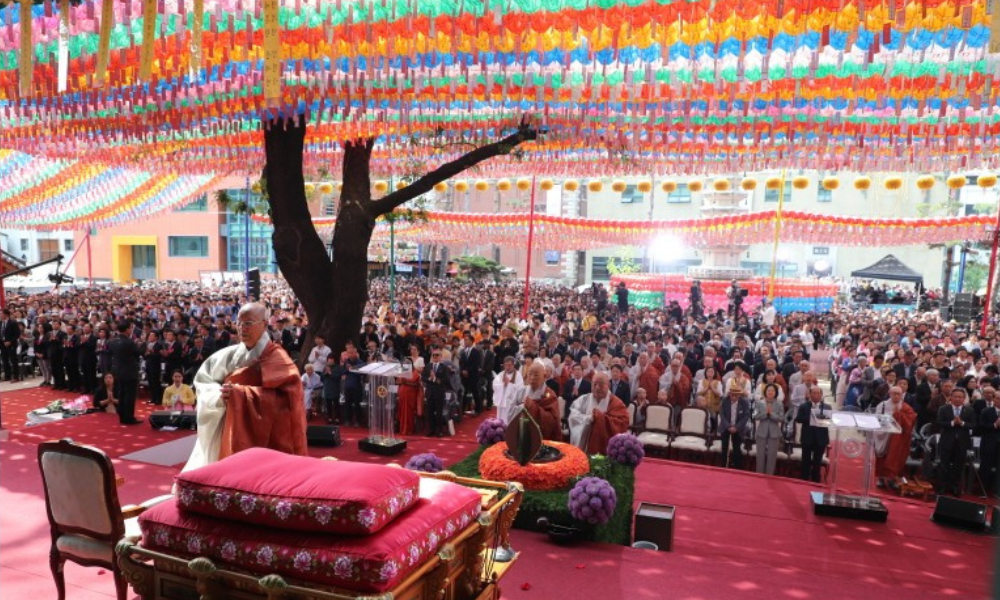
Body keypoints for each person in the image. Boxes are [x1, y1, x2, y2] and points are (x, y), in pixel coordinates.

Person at [181, 303, 307, 473]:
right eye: (238, 323)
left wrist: (240, 395)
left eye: (248, 323)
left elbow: (289, 400)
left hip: (266, 436)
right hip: (229, 425)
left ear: (263, 324)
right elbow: (204, 381)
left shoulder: (278, 359)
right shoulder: (228, 354)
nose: (242, 328)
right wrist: (219, 396)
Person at [567, 371, 629, 454]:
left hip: (605, 450)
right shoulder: (583, 400)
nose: (597, 387)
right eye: (594, 384)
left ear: (609, 385)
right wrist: (589, 418)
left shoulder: (616, 403)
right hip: (584, 449)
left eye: (601, 384)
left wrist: (600, 417)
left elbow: (622, 423)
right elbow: (573, 416)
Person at [873, 385, 917, 489]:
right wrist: (889, 419)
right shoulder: (882, 405)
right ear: (889, 394)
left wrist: (899, 415)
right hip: (884, 435)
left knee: (895, 458)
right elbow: (877, 418)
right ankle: (881, 478)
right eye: (894, 394)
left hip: (898, 438)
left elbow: (911, 421)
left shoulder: (906, 407)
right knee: (882, 457)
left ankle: (892, 478)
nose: (897, 396)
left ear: (902, 395)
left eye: (899, 394)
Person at [936, 387, 976, 496]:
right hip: (946, 441)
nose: (958, 399)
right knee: (944, 464)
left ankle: (954, 486)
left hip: (962, 442)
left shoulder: (970, 410)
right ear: (951, 398)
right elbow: (939, 422)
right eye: (956, 396)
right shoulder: (944, 409)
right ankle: (942, 486)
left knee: (958, 465)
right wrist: (952, 423)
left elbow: (973, 425)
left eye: (960, 397)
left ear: (964, 399)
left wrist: (962, 423)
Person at [512, 362, 563, 441]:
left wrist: (532, 407)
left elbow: (553, 421)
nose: (532, 378)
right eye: (530, 374)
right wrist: (522, 407)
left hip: (541, 437)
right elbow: (511, 411)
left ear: (544, 376)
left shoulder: (550, 394)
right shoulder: (521, 391)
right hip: (522, 431)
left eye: (536, 375)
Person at [107, 320, 143, 425]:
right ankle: (129, 417)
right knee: (130, 395)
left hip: (118, 370)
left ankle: (122, 414)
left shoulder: (112, 341)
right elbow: (139, 352)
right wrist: (141, 344)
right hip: (130, 371)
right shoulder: (129, 342)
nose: (131, 330)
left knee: (121, 393)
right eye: (130, 328)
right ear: (127, 329)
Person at [797, 386, 831, 483]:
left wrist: (820, 419)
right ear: (810, 394)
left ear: (821, 395)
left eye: (818, 393)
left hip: (821, 438)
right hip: (807, 437)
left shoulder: (827, 407)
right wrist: (812, 418)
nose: (816, 395)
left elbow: (828, 421)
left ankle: (816, 481)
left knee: (817, 461)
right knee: (805, 460)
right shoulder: (804, 406)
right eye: (814, 393)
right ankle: (804, 480)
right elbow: (798, 419)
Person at [719, 379, 751, 469]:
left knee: (737, 449)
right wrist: (728, 426)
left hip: (738, 429)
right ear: (729, 394)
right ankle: (723, 467)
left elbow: (746, 416)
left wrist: (736, 427)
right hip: (726, 427)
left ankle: (738, 469)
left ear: (739, 395)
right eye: (732, 395)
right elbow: (722, 415)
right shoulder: (725, 401)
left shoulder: (744, 402)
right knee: (724, 449)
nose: (733, 397)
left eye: (736, 395)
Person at [422, 347, 454, 437]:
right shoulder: (428, 366)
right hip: (429, 392)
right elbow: (423, 377)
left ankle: (439, 430)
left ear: (441, 357)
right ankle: (431, 430)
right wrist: (429, 378)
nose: (435, 357)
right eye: (433, 355)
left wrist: (435, 378)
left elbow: (445, 380)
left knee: (439, 412)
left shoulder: (444, 367)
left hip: (439, 392)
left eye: (437, 355)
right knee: (430, 412)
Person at [754, 383, 785, 475]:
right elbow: (755, 416)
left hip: (774, 432)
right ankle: (759, 475)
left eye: (772, 391)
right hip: (761, 431)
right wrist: (765, 414)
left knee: (772, 455)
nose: (770, 392)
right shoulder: (759, 403)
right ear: (765, 392)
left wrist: (771, 414)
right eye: (768, 391)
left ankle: (769, 475)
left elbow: (781, 418)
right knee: (760, 455)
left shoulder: (779, 404)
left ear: (775, 393)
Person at [977, 390, 1000, 496]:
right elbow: (981, 426)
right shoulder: (986, 411)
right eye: (997, 398)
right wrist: (995, 425)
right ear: (993, 399)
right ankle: (983, 491)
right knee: (985, 467)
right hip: (988, 443)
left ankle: (997, 491)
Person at [493, 356, 526, 424]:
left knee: (508, 421)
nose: (507, 367)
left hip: (511, 403)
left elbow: (520, 390)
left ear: (513, 365)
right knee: (500, 420)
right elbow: (494, 385)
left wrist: (509, 384)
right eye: (506, 365)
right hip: (501, 402)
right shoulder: (501, 374)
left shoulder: (518, 375)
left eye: (509, 365)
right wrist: (503, 385)